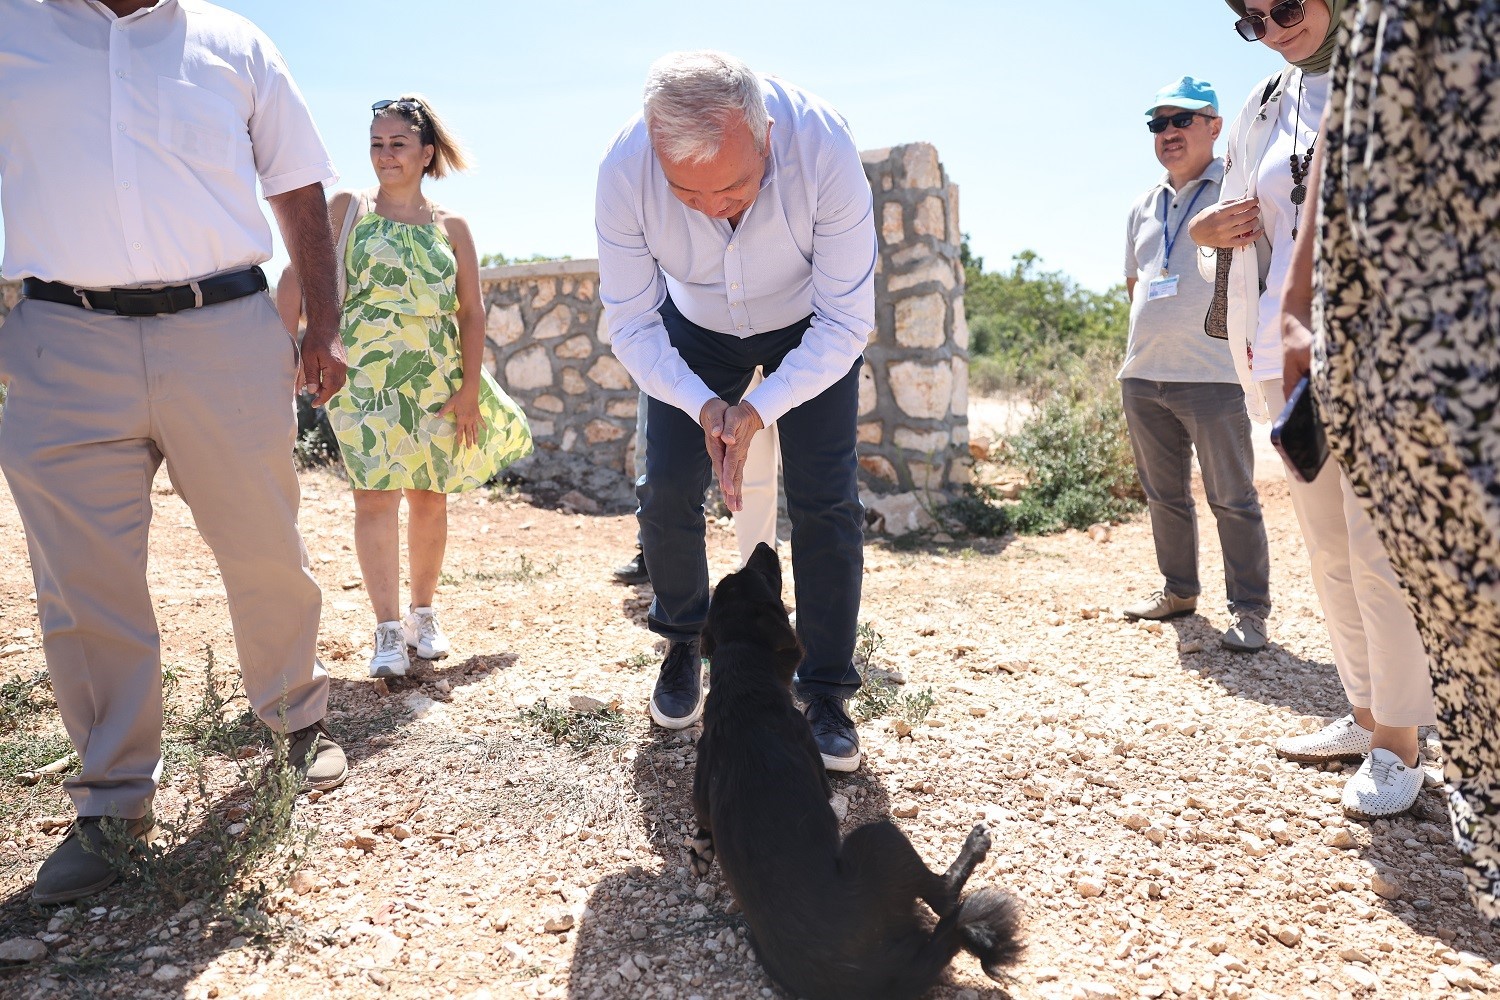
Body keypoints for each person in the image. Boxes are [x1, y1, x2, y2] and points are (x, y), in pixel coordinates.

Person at [0, 0, 348, 904]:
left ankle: (295, 722)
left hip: (224, 326)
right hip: (59, 334)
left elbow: (299, 187)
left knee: (264, 544)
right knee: (81, 582)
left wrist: (325, 324)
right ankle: (113, 803)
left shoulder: (235, 44)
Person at [1190, 0, 1437, 819]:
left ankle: (1401, 743)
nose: (1273, 26)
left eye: (1285, 7)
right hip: (1281, 355)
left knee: (1378, 552)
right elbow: (1226, 226)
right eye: (1252, 20)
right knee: (1328, 548)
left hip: (1380, 357)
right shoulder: (1265, 102)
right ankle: (1366, 715)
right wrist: (1210, 232)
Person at [1280, 0, 1500, 920]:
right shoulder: (1365, 41)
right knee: (1371, 559)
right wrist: (1297, 304)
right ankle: (1386, 722)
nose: (1266, 23)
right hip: (1377, 337)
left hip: (1457, 324)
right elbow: (1338, 159)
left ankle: (1405, 738)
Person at [596, 51, 874, 771]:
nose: (718, 208)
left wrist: (759, 407)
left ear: (767, 134)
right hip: (692, 329)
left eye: (736, 186)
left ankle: (825, 692)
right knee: (663, 491)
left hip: (808, 325)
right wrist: (703, 405)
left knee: (827, 501)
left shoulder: (827, 147)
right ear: (656, 154)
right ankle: (684, 642)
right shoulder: (624, 170)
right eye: (689, 196)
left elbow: (847, 322)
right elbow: (630, 322)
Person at [281, 95, 532, 679]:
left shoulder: (454, 227)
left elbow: (472, 312)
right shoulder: (349, 209)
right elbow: (298, 274)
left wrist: (470, 389)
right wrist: (289, 347)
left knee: (428, 496)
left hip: (435, 376)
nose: (385, 155)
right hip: (364, 377)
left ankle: (424, 614)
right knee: (373, 497)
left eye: (397, 144)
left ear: (425, 154)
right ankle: (388, 629)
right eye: (376, 143)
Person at [1118, 77, 1272, 652]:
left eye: (1182, 120)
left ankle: (1251, 613)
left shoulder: (1235, 192)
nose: (1169, 133)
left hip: (1212, 375)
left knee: (1232, 498)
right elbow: (1134, 284)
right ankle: (1179, 591)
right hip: (1143, 376)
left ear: (1214, 126)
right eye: (1158, 124)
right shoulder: (1143, 205)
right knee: (1164, 496)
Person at [612, 371, 782, 584]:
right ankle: (757, 581)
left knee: (808, 477)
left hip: (790, 348)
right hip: (702, 349)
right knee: (743, 474)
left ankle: (813, 604)